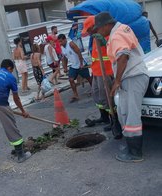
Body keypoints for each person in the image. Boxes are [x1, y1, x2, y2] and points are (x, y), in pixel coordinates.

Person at [94, 12, 149, 162]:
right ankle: (131, 146)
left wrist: (117, 81)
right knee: (124, 111)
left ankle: (135, 153)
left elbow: (123, 56)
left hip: (132, 76)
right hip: (133, 76)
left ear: (106, 25)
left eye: (99, 28)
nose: (98, 32)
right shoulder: (122, 29)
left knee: (131, 115)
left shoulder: (116, 34)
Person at [82, 16, 115, 130]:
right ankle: (104, 117)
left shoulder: (107, 36)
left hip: (106, 72)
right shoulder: (95, 38)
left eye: (89, 30)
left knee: (107, 98)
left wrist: (105, 42)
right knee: (97, 96)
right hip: (97, 71)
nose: (89, 33)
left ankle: (114, 121)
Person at [58, 34, 92, 103]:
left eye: (61, 41)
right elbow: (64, 58)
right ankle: (75, 95)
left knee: (88, 78)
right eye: (59, 42)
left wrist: (81, 64)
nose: (60, 43)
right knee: (71, 79)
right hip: (73, 66)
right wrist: (65, 67)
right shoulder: (62, 48)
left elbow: (79, 52)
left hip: (81, 64)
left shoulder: (71, 44)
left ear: (65, 40)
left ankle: (95, 89)